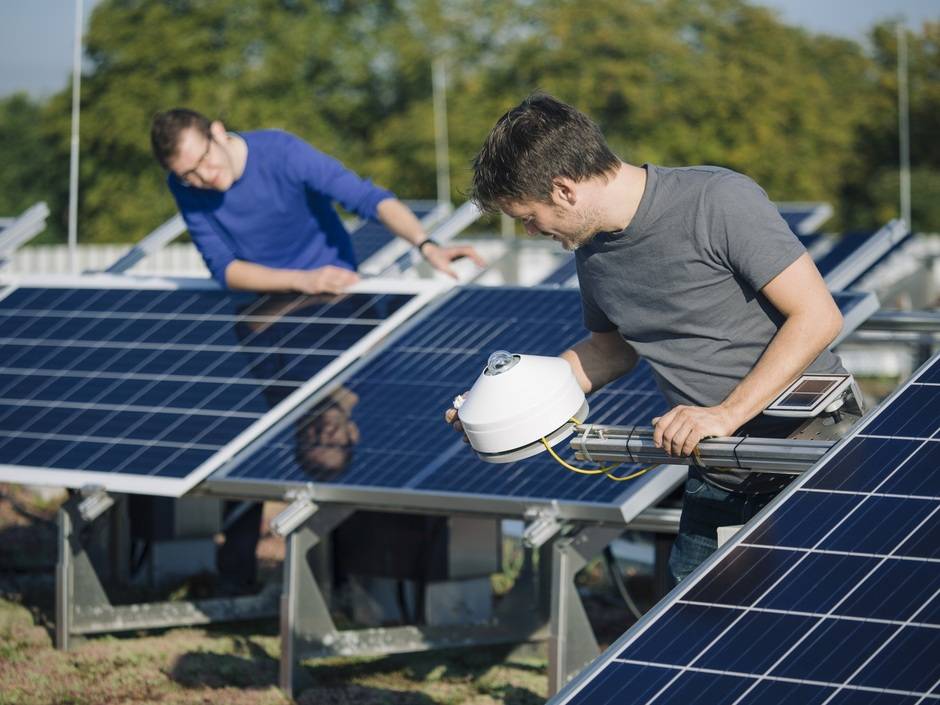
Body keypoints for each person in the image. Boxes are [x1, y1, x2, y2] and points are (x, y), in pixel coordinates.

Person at [447, 93, 849, 583]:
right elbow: (610, 351)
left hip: (813, 448)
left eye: (529, 217)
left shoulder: (718, 200)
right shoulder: (592, 251)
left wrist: (726, 414)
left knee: (823, 624)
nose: (531, 231)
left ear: (563, 189)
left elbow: (817, 315)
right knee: (699, 628)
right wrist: (505, 404)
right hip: (718, 464)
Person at [149, 108, 484, 293]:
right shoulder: (183, 187)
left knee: (337, 417)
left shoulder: (282, 152)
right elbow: (225, 268)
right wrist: (300, 281)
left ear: (218, 133)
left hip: (337, 291)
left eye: (204, 159)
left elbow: (365, 197)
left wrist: (426, 244)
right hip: (266, 306)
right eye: (188, 174)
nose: (203, 177)